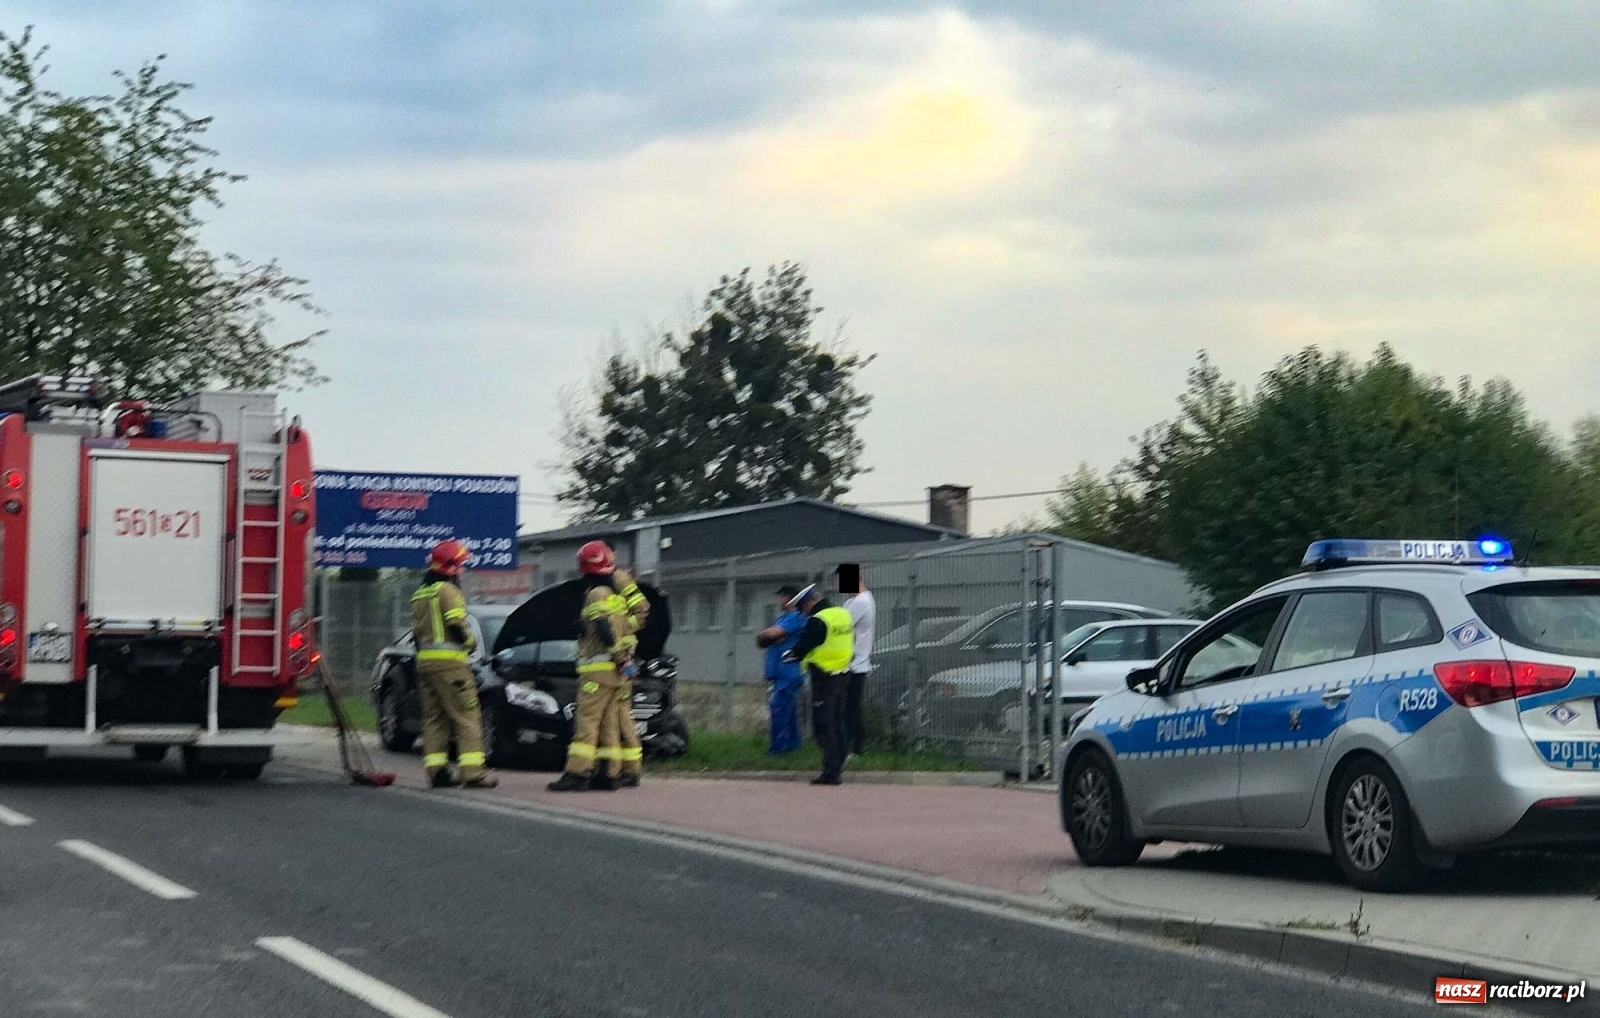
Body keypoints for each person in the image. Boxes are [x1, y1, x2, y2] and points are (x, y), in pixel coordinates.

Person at [548, 541, 641, 792]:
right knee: (609, 724)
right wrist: (623, 659)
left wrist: (614, 653)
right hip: (616, 673)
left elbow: (602, 628)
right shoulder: (616, 597)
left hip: (597, 672)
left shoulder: (595, 594)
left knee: (587, 723)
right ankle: (608, 774)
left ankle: (577, 774)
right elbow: (622, 628)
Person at [411, 540, 498, 789]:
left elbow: (417, 634)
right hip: (451, 666)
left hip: (425, 665)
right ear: (450, 567)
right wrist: (470, 643)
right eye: (461, 565)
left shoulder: (421, 593)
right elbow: (456, 625)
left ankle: (437, 772)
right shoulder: (448, 592)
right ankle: (474, 773)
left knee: (434, 718)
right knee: (467, 716)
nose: (463, 570)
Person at [781, 584, 855, 785]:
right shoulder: (842, 614)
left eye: (802, 608)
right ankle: (838, 763)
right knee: (838, 722)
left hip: (824, 677)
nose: (802, 613)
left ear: (809, 602)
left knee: (824, 724)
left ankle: (831, 771)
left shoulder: (818, 620)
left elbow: (804, 645)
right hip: (844, 673)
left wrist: (790, 654)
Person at [755, 585, 808, 755]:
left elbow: (772, 634)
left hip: (789, 671)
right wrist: (769, 635)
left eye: (781, 596)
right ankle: (794, 745)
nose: (779, 600)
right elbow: (768, 636)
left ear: (789, 598)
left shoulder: (796, 616)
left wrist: (771, 635)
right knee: (788, 711)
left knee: (778, 707)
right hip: (781, 672)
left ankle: (779, 748)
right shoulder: (784, 618)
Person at [839, 564, 876, 758]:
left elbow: (842, 624)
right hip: (853, 663)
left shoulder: (861, 602)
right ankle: (852, 746)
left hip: (856, 664)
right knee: (849, 707)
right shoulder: (855, 601)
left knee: (850, 708)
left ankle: (855, 747)